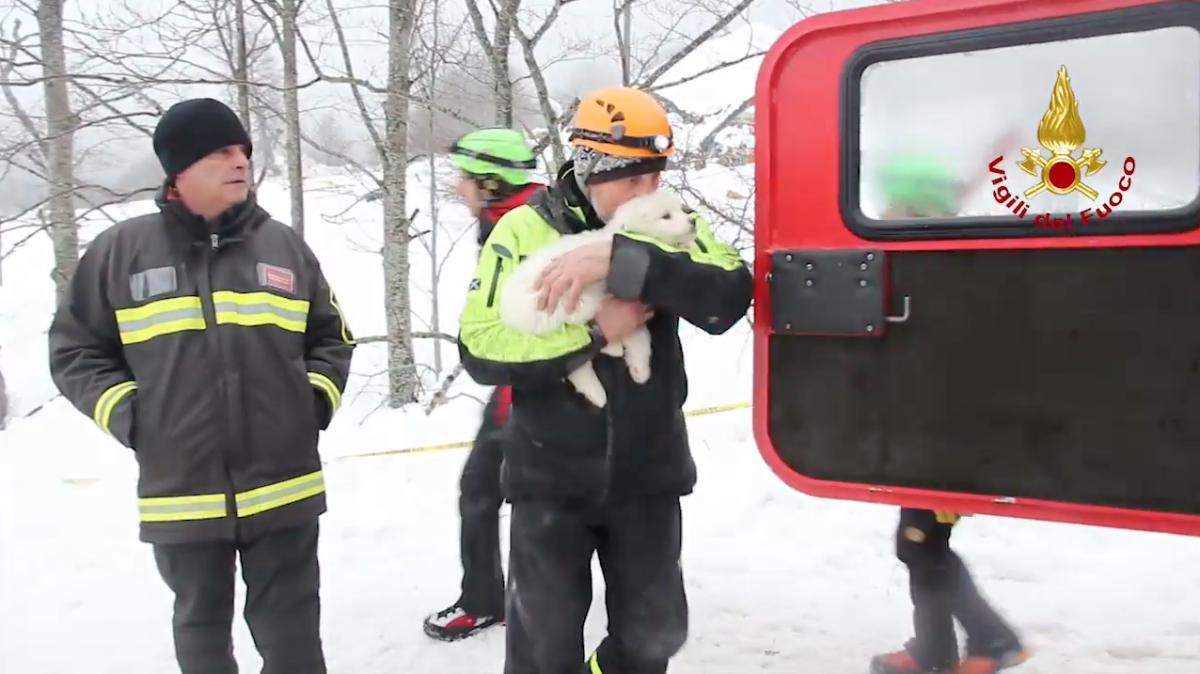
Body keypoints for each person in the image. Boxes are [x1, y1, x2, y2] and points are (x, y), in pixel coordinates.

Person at [47, 97, 355, 674]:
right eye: (222, 151)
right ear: (180, 167)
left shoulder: (284, 246)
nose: (240, 161)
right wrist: (132, 416)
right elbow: (74, 349)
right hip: (181, 489)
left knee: (293, 642)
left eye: (243, 150)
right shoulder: (120, 252)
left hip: (284, 485)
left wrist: (311, 401)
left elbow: (332, 335)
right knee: (202, 637)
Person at [456, 85, 754, 674]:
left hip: (648, 474)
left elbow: (727, 295)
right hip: (550, 480)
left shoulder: (665, 223)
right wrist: (593, 334)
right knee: (544, 653)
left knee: (655, 640)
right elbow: (480, 346)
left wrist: (622, 262)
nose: (647, 190)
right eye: (631, 176)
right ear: (589, 166)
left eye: (655, 174)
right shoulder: (522, 231)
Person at [869, 149, 1030, 674]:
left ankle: (994, 641)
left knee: (922, 545)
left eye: (893, 203)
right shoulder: (935, 256)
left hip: (949, 438)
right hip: (930, 431)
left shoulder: (945, 267)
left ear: (915, 209)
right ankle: (934, 649)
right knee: (919, 543)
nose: (882, 211)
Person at [423, 127, 546, 642]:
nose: (458, 188)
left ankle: (492, 602)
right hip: (523, 378)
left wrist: (510, 398)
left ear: (492, 183)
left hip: (532, 382)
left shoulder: (523, 225)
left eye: (466, 179)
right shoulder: (510, 217)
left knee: (488, 487)